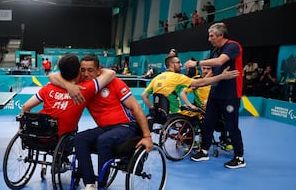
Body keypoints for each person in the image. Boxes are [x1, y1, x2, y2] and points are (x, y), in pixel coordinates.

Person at [48, 54, 153, 190]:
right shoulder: (80, 85)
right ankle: (90, 184)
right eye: (83, 70)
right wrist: (69, 86)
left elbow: (135, 107)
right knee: (79, 138)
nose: (86, 74)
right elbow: (52, 76)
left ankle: (101, 186)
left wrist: (147, 136)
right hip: (105, 128)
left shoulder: (114, 83)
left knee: (104, 140)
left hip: (126, 126)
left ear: (99, 70)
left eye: (90, 70)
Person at [184, 22, 245, 169]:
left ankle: (239, 157)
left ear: (221, 35)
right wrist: (199, 83)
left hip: (231, 94)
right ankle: (204, 151)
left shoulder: (233, 46)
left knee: (231, 126)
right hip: (215, 93)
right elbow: (212, 71)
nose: (209, 39)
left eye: (211, 36)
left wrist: (196, 63)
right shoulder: (214, 50)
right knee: (207, 123)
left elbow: (220, 61)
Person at [21, 54, 115, 137]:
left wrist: (22, 129)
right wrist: (69, 86)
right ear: (78, 71)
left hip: (37, 135)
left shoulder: (48, 87)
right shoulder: (85, 89)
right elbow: (111, 73)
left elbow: (25, 106)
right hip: (60, 137)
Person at [142, 53, 239, 117]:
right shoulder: (177, 77)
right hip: (176, 114)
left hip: (162, 115)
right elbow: (199, 83)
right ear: (171, 65)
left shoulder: (156, 78)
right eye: (178, 62)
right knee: (198, 117)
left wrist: (152, 109)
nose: (180, 65)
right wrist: (222, 76)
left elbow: (144, 96)